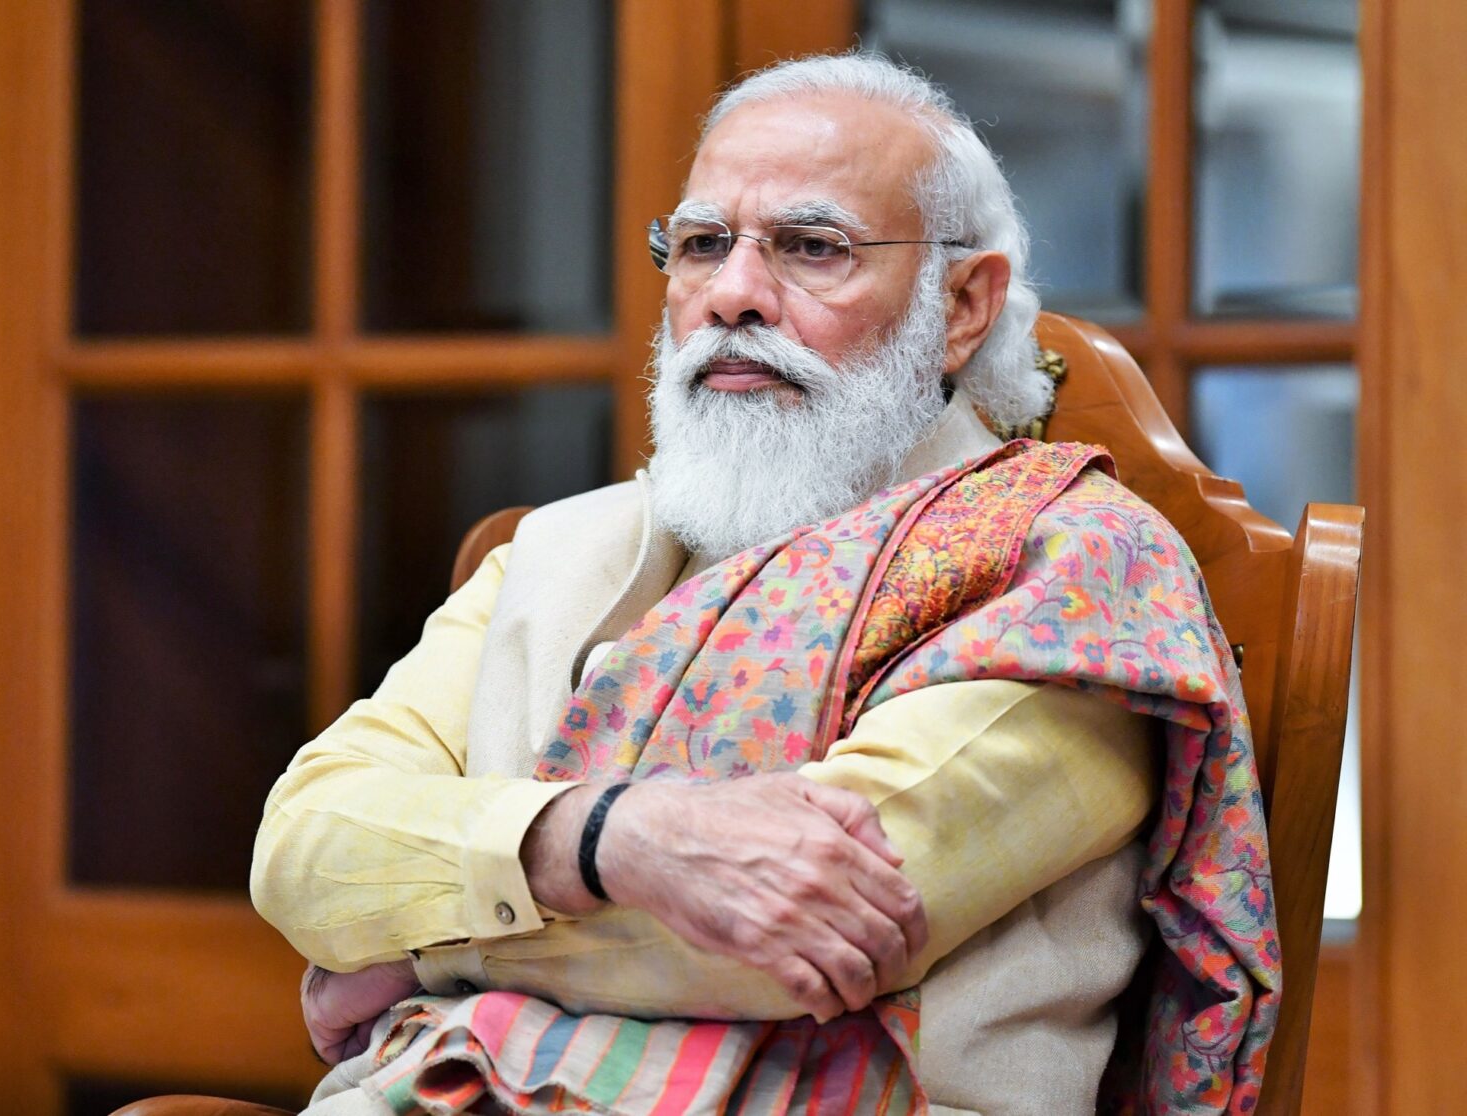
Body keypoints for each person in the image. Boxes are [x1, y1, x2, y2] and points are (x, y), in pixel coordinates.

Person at [251, 53, 1278, 1116]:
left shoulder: (1073, 568)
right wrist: (602, 839)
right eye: (702, 245)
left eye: (811, 248)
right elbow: (301, 843)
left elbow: (794, 932)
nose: (731, 296)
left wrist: (415, 952)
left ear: (962, 304)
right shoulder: (560, 550)